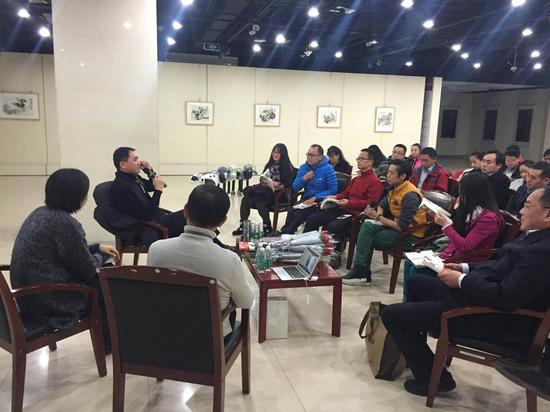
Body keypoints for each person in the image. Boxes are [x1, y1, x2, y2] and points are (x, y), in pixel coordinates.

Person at [381, 186, 550, 397]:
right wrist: (464, 268)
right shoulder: (534, 236)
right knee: (416, 282)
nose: (521, 211)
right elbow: (498, 266)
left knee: (391, 315)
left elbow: (506, 298)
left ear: (548, 214)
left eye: (527, 206)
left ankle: (435, 379)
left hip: (492, 319)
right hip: (478, 297)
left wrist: (461, 281)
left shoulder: (542, 252)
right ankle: (418, 356)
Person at [10, 169, 119, 350]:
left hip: (27, 296)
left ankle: (109, 341)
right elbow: (88, 268)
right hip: (50, 302)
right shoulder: (66, 223)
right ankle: (109, 344)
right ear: (77, 197)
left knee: (102, 275)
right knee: (108, 282)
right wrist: (103, 255)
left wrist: (96, 248)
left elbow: (66, 251)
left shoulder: (40, 213)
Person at [147, 185, 254, 339]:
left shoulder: (156, 249)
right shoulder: (229, 260)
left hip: (165, 334)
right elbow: (246, 302)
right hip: (210, 340)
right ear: (222, 221)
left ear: (185, 210)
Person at [403, 172, 503, 300]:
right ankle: (407, 302)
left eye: (462, 193)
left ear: (473, 193)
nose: (459, 197)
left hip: (468, 260)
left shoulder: (488, 219)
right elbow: (457, 235)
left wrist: (445, 226)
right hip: (454, 255)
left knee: (417, 271)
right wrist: (440, 255)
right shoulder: (471, 210)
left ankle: (414, 303)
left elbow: (465, 246)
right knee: (409, 263)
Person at [343, 159, 427, 283]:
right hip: (398, 227)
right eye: (388, 172)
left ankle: (361, 270)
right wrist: (378, 216)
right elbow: (382, 205)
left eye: (392, 173)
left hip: (411, 235)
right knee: (366, 226)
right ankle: (361, 269)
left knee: (367, 236)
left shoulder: (410, 195)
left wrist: (377, 218)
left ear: (402, 176)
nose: (387, 175)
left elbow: (401, 226)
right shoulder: (395, 188)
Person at [303, 147, 385, 269]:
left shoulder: (375, 182)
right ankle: (307, 248)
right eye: (358, 158)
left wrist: (348, 202)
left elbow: (370, 204)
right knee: (312, 218)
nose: (358, 161)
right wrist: (335, 197)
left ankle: (335, 255)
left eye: (362, 158)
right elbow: (346, 193)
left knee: (334, 226)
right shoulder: (356, 179)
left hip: (356, 215)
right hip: (344, 209)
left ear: (370, 162)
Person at [110, 147, 187, 239]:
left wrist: (149, 171)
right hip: (153, 226)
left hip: (158, 218)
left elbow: (152, 185)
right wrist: (158, 191)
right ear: (123, 164)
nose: (139, 162)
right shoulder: (121, 187)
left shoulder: (132, 178)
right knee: (192, 216)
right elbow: (148, 215)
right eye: (135, 159)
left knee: (193, 213)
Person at [232, 143, 294, 236]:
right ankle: (243, 226)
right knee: (245, 199)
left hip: (279, 195)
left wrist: (278, 185)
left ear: (283, 154)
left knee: (260, 204)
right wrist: (265, 181)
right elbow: (263, 177)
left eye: (278, 153)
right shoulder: (269, 165)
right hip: (267, 192)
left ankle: (267, 227)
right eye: (274, 152)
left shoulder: (287, 166)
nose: (275, 154)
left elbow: (289, 183)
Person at [280, 144, 337, 234]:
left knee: (301, 213)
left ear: (320, 157)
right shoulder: (304, 167)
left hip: (320, 201)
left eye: (312, 155)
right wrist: (305, 178)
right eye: (308, 154)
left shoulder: (328, 169)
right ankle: (285, 233)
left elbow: (333, 190)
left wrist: (316, 197)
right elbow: (295, 187)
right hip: (306, 199)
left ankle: (285, 234)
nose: (309, 157)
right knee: (292, 211)